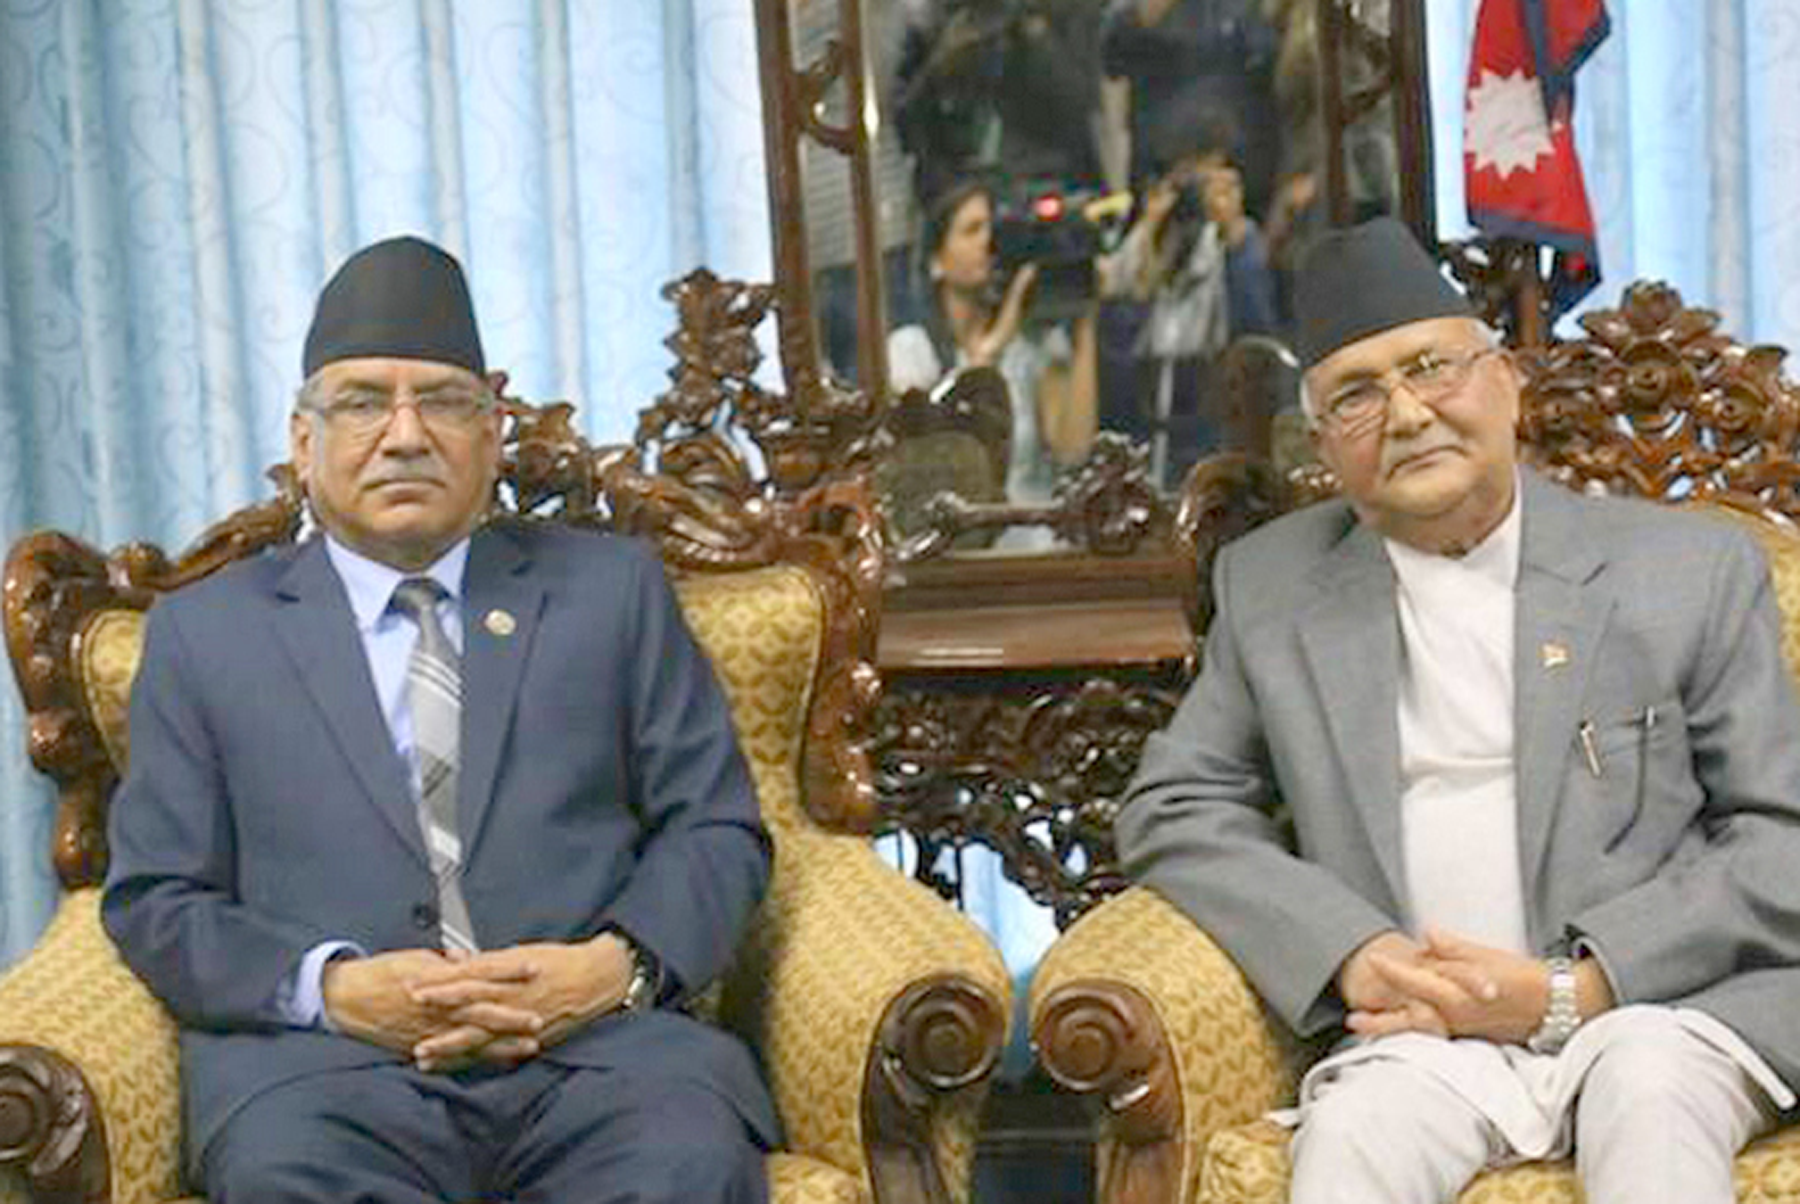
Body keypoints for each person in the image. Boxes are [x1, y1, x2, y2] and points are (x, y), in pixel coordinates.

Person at [1117, 216, 1800, 1204]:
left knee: (1649, 1099)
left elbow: (1781, 836)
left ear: (1508, 383)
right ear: (1324, 443)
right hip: (1420, 1038)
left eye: (1431, 367)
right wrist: (1351, 952)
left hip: (1658, 1010)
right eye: (1357, 395)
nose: (1405, 414)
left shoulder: (1687, 569)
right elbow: (1173, 805)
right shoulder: (1272, 586)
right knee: (1353, 1139)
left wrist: (1577, 988)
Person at [101, 236, 775, 1203]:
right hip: (328, 1080)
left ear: (493, 430)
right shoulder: (206, 634)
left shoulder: (612, 592)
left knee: (684, 1165)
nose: (405, 434)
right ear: (303, 441)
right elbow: (157, 897)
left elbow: (717, 830)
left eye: (444, 401)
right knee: (287, 1180)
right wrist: (332, 989)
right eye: (363, 402)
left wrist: (608, 970)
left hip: (602, 1061)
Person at [888, 179, 1099, 512]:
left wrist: (1085, 319)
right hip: (955, 532)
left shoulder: (1031, 342)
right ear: (936, 261)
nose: (987, 242)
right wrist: (995, 343)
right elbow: (935, 460)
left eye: (993, 229)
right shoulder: (910, 349)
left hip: (1033, 529)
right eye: (972, 230)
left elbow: (1072, 448)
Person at [1101, 152, 1279, 485]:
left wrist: (1235, 234)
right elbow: (1118, 325)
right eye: (1190, 182)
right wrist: (1149, 225)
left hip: (1206, 430)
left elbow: (1256, 335)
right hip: (1140, 434)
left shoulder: (1231, 252)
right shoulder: (1143, 246)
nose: (1200, 196)